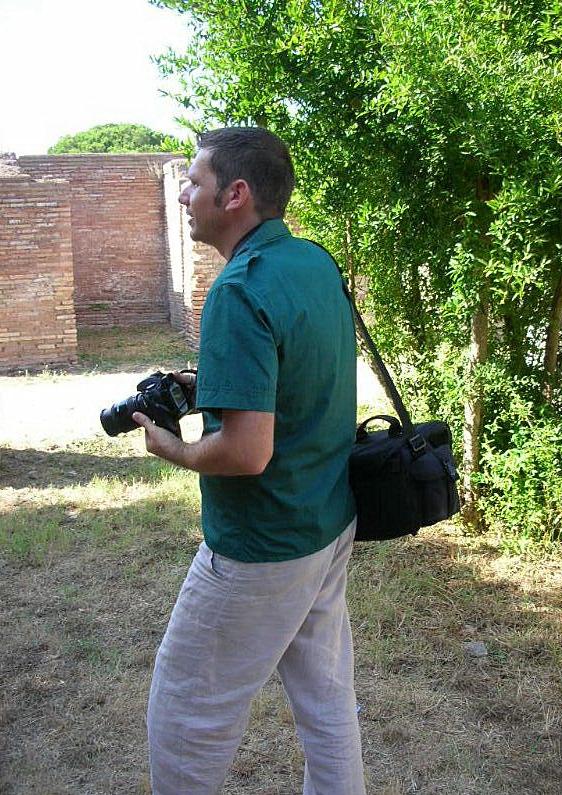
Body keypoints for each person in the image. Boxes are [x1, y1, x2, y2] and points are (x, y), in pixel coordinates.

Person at [132, 127, 365, 795]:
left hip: (262, 544)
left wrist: (171, 446)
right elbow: (294, 380)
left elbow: (244, 450)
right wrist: (210, 387)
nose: (183, 194)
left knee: (185, 713)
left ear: (234, 194)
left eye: (195, 182)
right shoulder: (313, 262)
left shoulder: (238, 288)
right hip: (327, 523)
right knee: (327, 704)